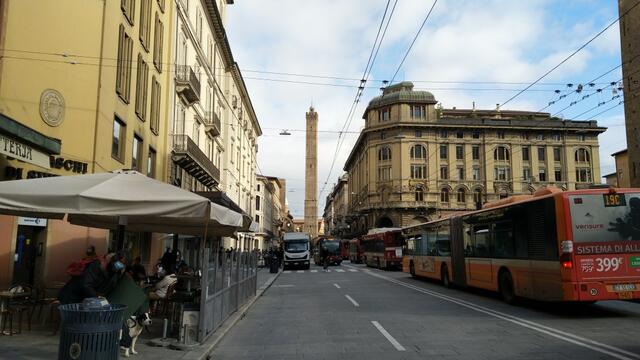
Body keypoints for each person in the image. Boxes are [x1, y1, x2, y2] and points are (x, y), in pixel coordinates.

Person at [58, 251, 124, 304]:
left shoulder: (109, 271)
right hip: (71, 297)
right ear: (106, 260)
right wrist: (97, 297)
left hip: (79, 298)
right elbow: (86, 284)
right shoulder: (95, 265)